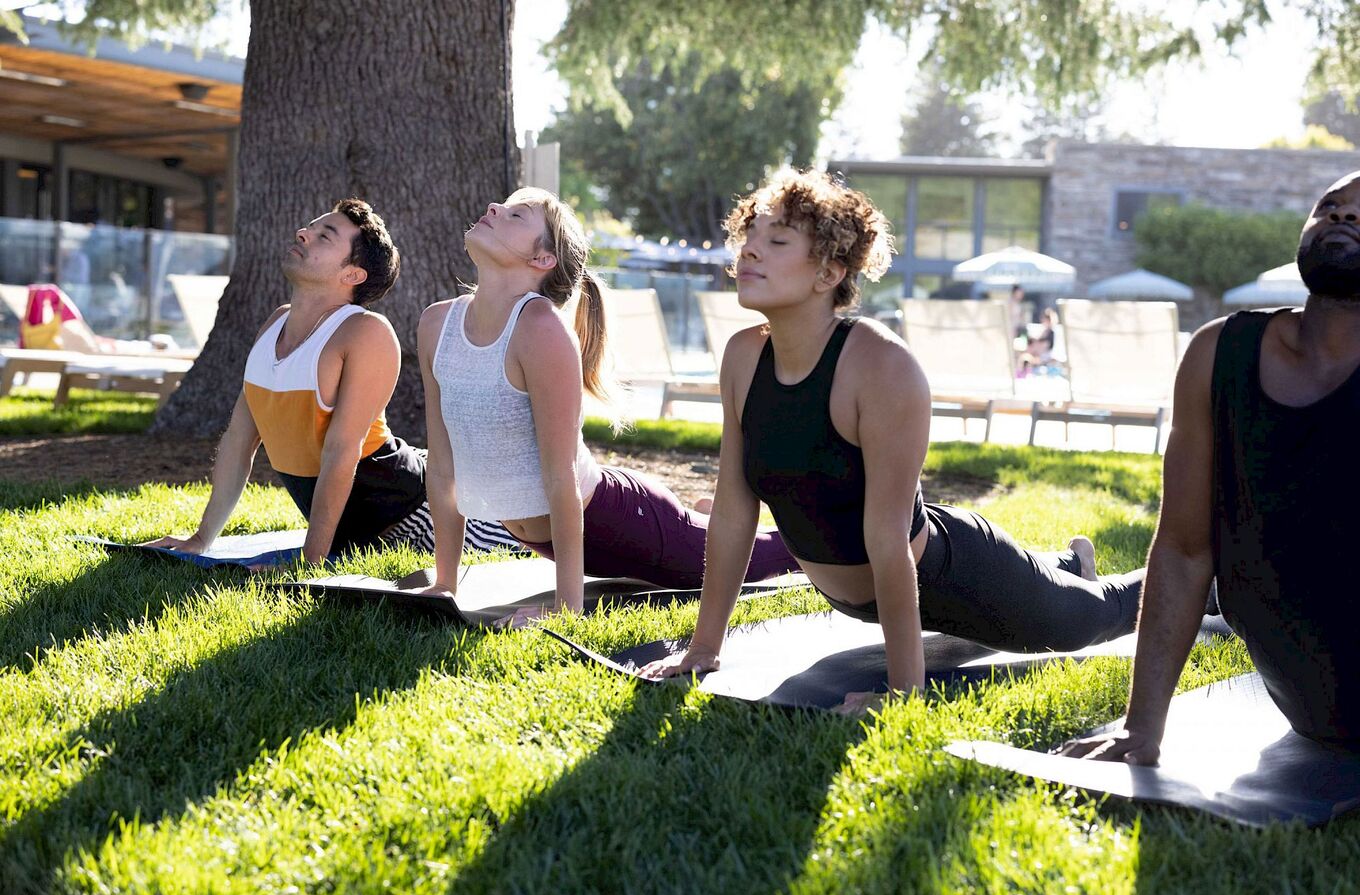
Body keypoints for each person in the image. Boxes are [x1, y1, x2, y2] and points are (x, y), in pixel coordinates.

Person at [640, 170, 1144, 711]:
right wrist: (703, 649)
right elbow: (736, 511)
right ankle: (1069, 564)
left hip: (954, 574)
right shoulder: (743, 357)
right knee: (1064, 599)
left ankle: (1196, 584)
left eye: (777, 241)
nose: (751, 252)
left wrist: (904, 691)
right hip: (865, 596)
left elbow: (889, 539)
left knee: (1090, 621)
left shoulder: (881, 367)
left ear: (829, 273)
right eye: (751, 237)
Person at [1061, 172, 1360, 762]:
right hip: (1312, 709)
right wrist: (1141, 726)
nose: (1344, 217)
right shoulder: (1217, 355)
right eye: (1330, 205)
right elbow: (1182, 548)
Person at [410, 187, 798, 623]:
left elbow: (561, 479)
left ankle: (843, 530)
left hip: (622, 524)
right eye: (502, 206)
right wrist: (445, 583)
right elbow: (442, 464)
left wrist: (565, 607)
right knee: (719, 537)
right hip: (556, 534)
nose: (492, 207)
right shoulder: (437, 324)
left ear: (542, 260)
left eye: (517, 216)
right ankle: (700, 516)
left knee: (776, 556)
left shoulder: (540, 331)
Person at [149, 199, 518, 563]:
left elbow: (342, 451)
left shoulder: (365, 332)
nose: (304, 234)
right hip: (360, 530)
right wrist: (201, 539)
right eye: (311, 227)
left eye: (325, 236)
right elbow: (238, 439)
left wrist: (311, 560)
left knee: (532, 536)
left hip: (423, 519)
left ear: (352, 275)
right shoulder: (275, 324)